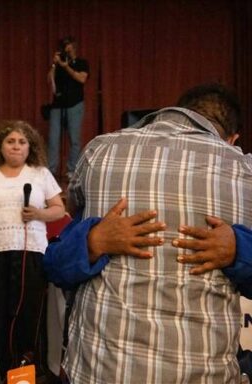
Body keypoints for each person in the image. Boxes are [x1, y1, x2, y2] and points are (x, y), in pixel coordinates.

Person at [44, 83, 252, 383]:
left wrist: (94, 240)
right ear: (232, 139)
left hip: (100, 372)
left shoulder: (100, 149)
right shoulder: (243, 169)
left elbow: (56, 264)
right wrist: (239, 249)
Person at [0, 120, 65, 378]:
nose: (16, 146)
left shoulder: (40, 174)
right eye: (10, 141)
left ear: (30, 146)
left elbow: (59, 209)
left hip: (32, 255)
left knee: (29, 318)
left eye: (22, 142)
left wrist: (38, 213)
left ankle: (25, 375)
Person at [47, 36, 89, 179]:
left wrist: (66, 67)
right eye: (64, 45)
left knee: (75, 139)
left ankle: (71, 170)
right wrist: (54, 65)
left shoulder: (82, 62)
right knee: (53, 139)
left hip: (75, 104)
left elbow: (82, 78)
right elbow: (49, 81)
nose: (66, 48)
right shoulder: (58, 65)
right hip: (58, 104)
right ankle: (51, 171)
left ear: (74, 46)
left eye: (68, 45)